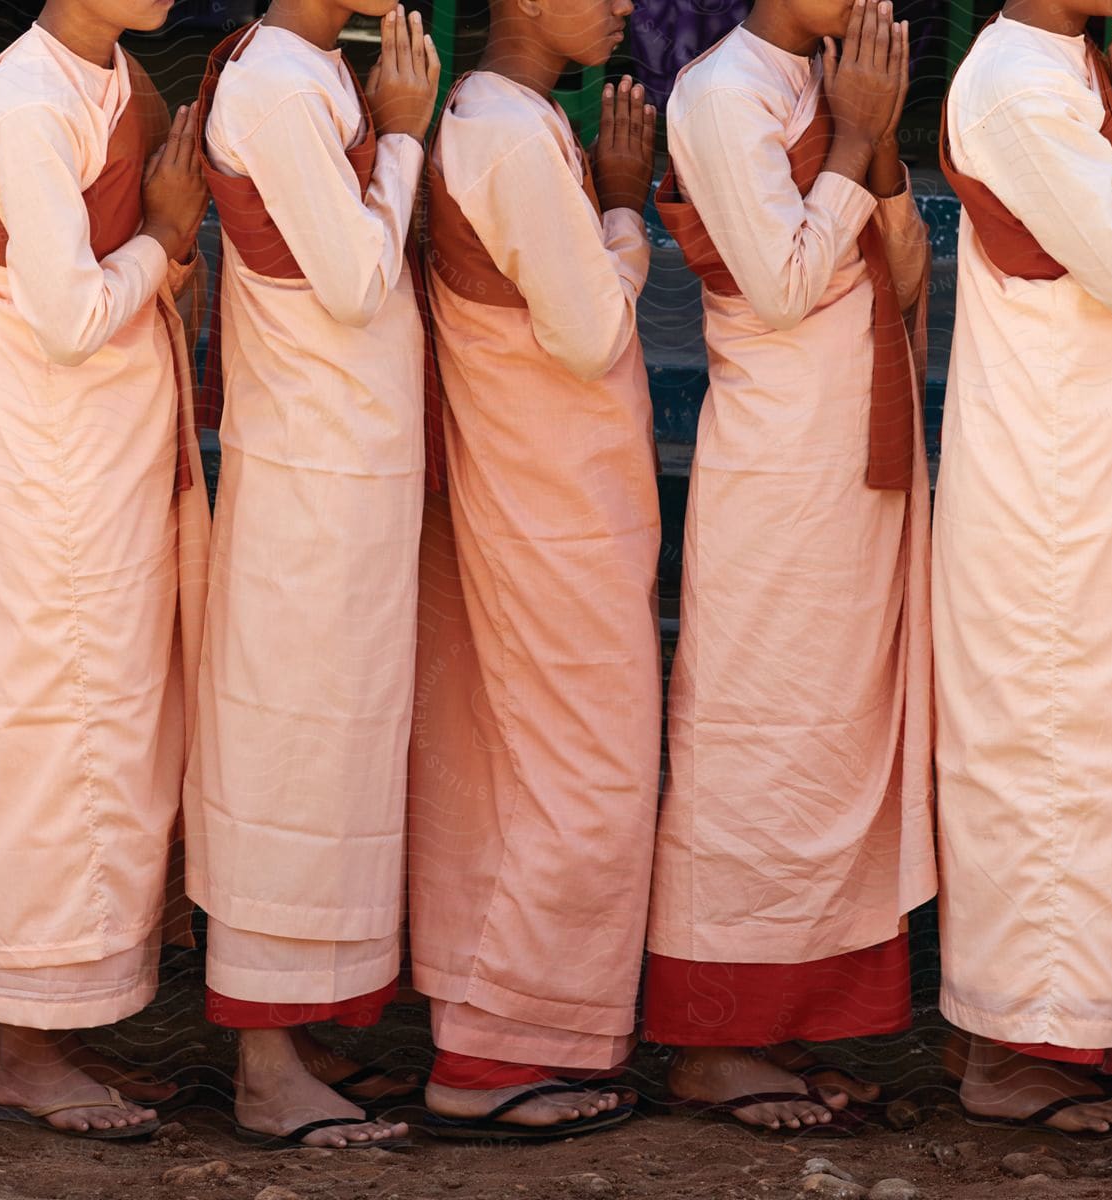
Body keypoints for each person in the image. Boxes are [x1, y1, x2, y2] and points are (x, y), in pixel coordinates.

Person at [648, 0, 933, 1134]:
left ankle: (802, 1019)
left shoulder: (831, 84)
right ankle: (713, 1043)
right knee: (755, 732)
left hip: (856, 455)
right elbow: (781, 282)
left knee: (839, 732)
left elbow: (900, 279)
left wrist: (882, 141)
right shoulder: (721, 92)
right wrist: (858, 143)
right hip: (779, 468)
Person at [934, 0, 1112, 1136]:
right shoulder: (1012, 79)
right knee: (1045, 747)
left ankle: (1074, 1024)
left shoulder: (1069, 60)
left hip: (1094, 466)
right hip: (1049, 486)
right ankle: (1007, 1053)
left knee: (1097, 744)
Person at [0, 0, 211, 1140]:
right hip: (61, 470)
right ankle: (22, 1050)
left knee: (118, 732)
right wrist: (163, 230)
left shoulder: (117, 80)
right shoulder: (19, 99)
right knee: (57, 744)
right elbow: (67, 318)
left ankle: (74, 1026)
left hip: (122, 453)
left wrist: (160, 244)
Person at [184, 0, 438, 1150]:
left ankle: (310, 1020)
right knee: (292, 750)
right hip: (309, 477)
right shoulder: (282, 83)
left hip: (352, 465)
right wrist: (407, 134)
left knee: (340, 747)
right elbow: (351, 278)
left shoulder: (313, 68)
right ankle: (264, 1061)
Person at [407, 0, 662, 1140]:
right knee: (590, 768)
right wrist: (621, 205)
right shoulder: (508, 132)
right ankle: (497, 1053)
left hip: (539, 484)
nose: (623, 8)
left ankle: (484, 1024)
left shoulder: (494, 113)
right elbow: (588, 331)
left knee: (515, 769)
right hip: (552, 498)